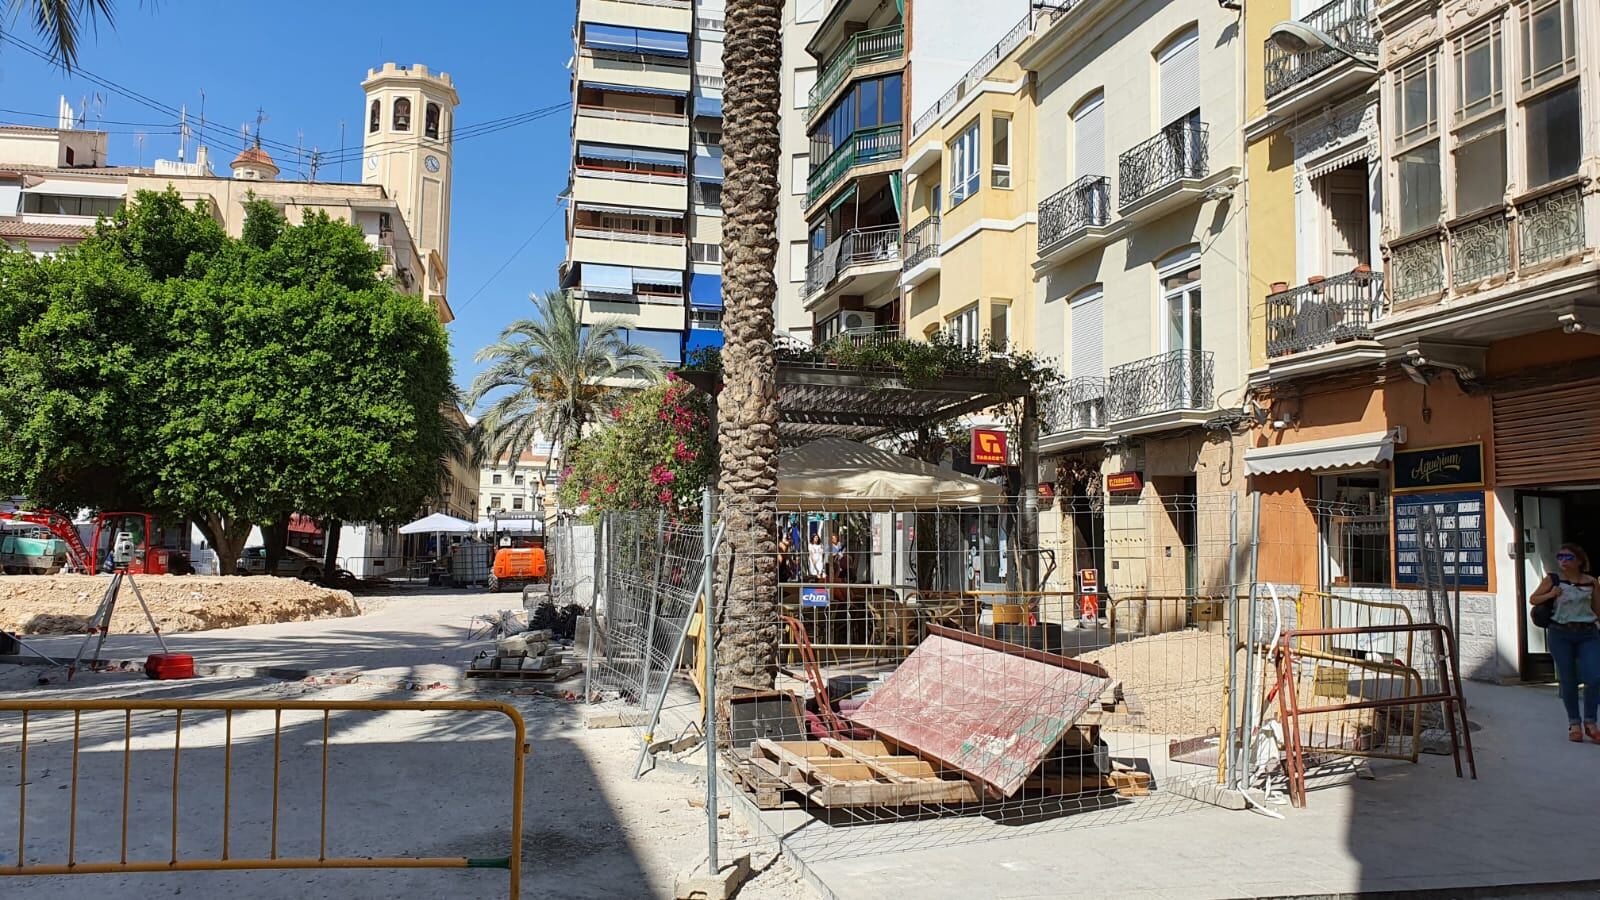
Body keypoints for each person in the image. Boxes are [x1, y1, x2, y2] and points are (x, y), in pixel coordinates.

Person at [1530, 542, 1600, 742]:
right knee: (1568, 680)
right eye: (1560, 556)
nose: (1563, 561)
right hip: (1560, 633)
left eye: (1568, 557)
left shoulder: (1591, 582)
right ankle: (1574, 724)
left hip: (1587, 633)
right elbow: (1534, 599)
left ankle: (1591, 722)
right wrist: (1551, 594)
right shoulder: (1553, 579)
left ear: (1579, 560)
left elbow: (1598, 609)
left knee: (1594, 677)